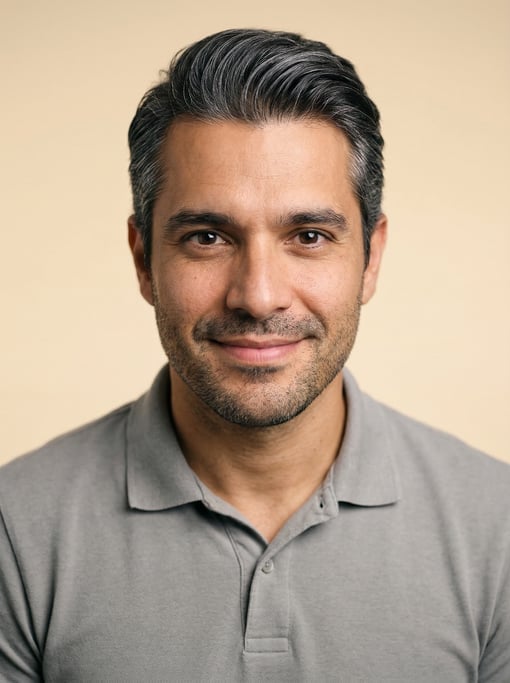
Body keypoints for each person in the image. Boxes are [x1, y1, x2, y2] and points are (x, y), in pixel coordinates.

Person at [0, 28, 509, 682]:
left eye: (308, 235)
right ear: (142, 258)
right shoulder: (15, 531)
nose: (259, 295)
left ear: (371, 258)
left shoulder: (496, 531)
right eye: (208, 236)